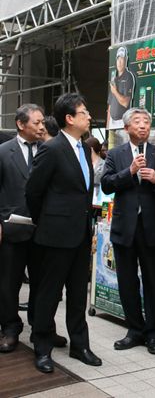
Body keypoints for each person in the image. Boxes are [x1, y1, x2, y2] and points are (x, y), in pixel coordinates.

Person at [26, 93, 102, 373]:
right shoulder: (52, 148)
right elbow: (33, 191)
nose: (89, 117)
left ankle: (80, 345)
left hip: (81, 234)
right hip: (55, 235)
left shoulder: (83, 147)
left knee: (78, 294)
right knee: (49, 293)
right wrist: (46, 221)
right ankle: (42, 347)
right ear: (70, 118)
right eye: (84, 112)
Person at [101, 108, 155, 355]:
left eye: (146, 122)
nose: (143, 126)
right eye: (137, 122)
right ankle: (134, 330)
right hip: (124, 229)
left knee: (153, 282)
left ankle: (153, 333)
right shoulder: (115, 154)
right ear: (126, 128)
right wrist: (130, 172)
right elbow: (106, 185)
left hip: (152, 228)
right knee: (127, 282)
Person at [0, 104, 45, 354]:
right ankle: (9, 328)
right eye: (36, 122)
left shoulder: (49, 150)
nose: (41, 127)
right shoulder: (3, 152)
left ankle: (41, 327)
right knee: (8, 282)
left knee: (42, 282)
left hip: (43, 229)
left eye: (42, 122)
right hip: (12, 229)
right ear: (21, 124)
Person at [107, 46, 135, 128]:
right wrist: (108, 125)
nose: (119, 62)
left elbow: (125, 103)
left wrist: (115, 91)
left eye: (122, 59)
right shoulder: (114, 79)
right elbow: (110, 105)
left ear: (126, 60)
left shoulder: (128, 76)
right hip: (112, 122)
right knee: (111, 141)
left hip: (122, 121)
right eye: (118, 59)